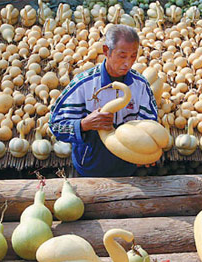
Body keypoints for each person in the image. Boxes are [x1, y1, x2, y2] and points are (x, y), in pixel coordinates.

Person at [49, 25, 158, 177]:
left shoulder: (140, 85)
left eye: (133, 56)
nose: (128, 63)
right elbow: (56, 126)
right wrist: (84, 124)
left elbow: (151, 123)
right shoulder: (83, 84)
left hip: (127, 167)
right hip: (90, 168)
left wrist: (148, 148)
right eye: (122, 56)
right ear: (106, 50)